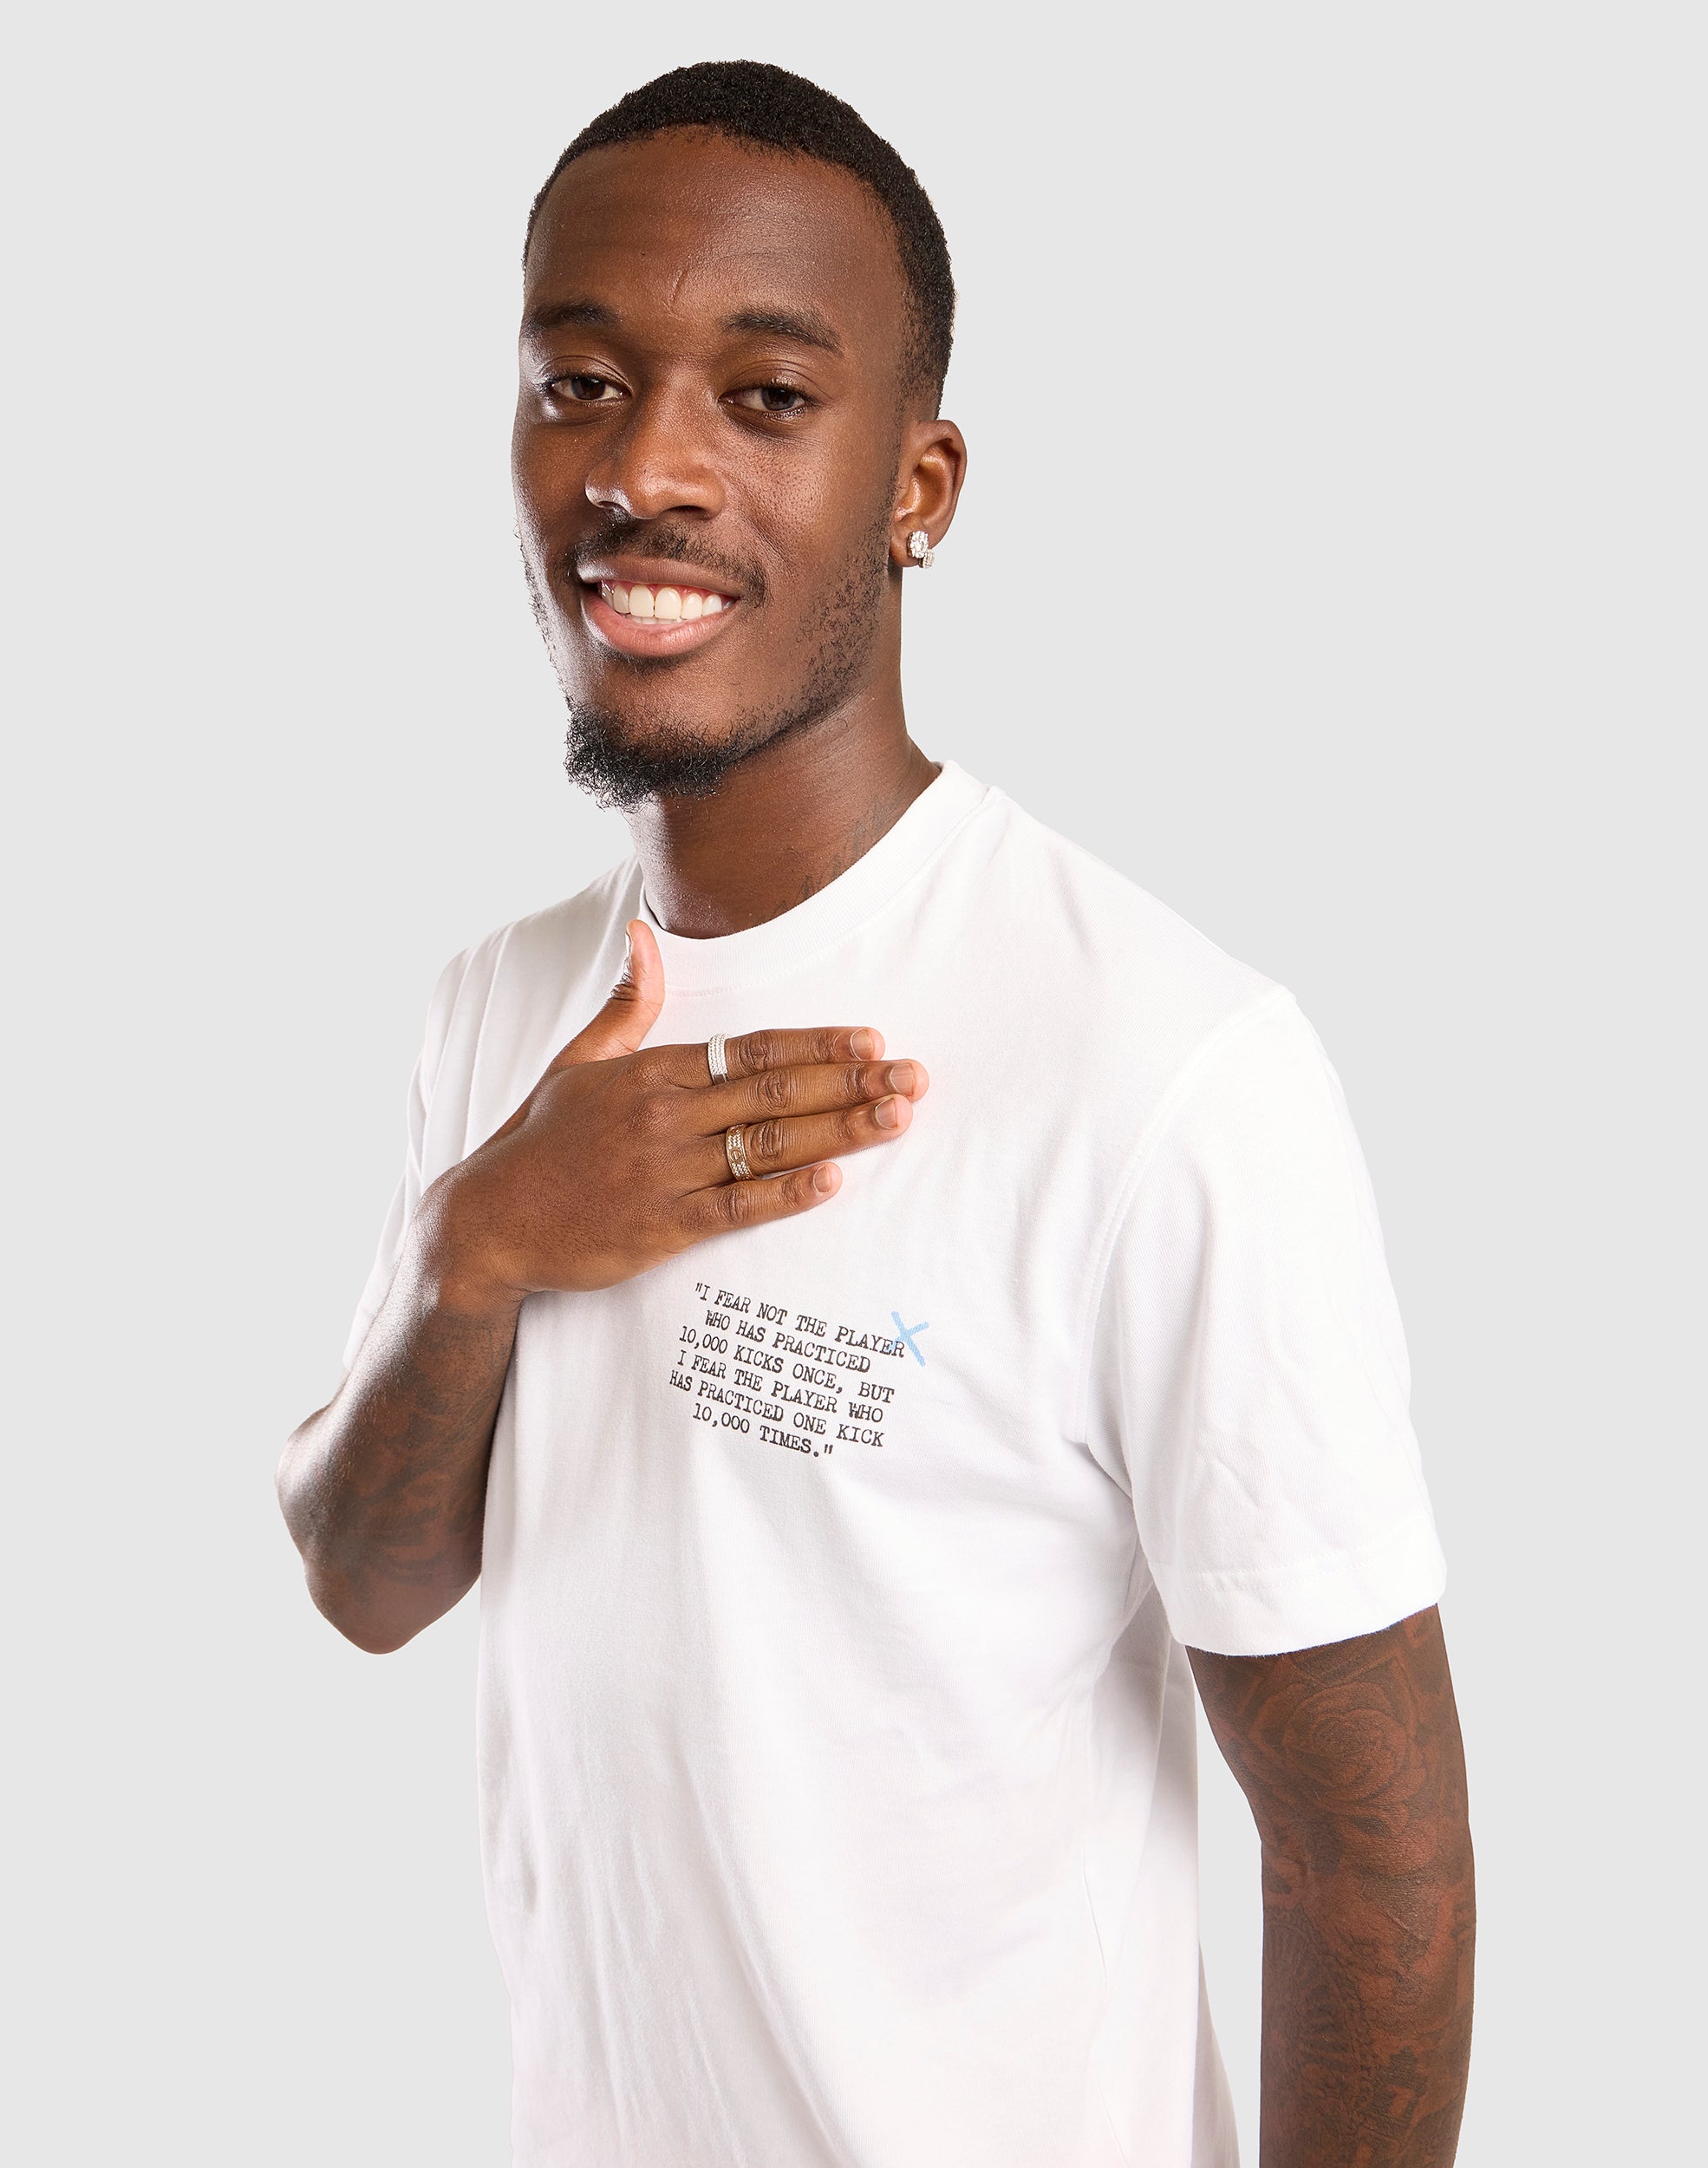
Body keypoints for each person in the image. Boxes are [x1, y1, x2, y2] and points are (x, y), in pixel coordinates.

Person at [277, 60, 1474, 2168]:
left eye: (764, 396)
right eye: (578, 382)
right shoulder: (498, 1005)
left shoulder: (1164, 1065)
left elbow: (1369, 1861)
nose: (643, 468)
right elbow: (367, 1578)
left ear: (919, 487)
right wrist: (479, 1251)